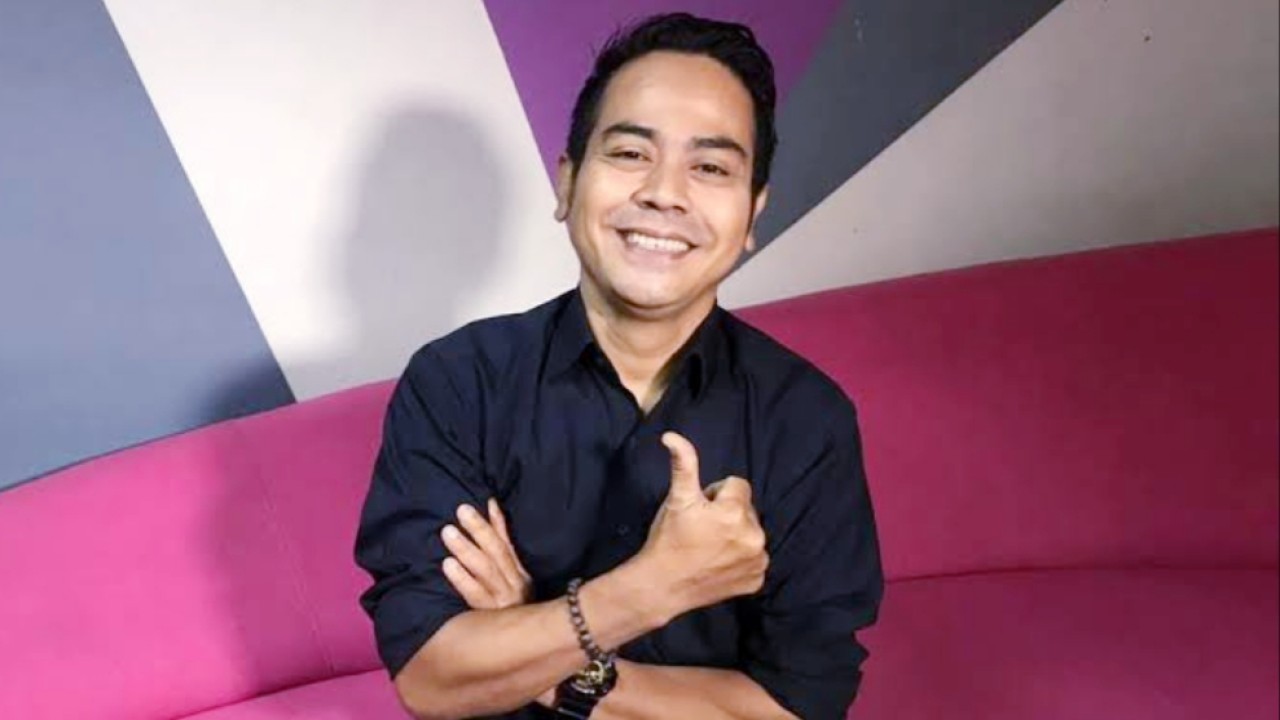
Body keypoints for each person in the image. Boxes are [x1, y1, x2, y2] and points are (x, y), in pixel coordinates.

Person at [355, 12, 883, 720]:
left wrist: (539, 644)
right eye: (631, 153)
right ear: (567, 183)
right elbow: (432, 677)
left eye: (711, 167)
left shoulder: (806, 419)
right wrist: (655, 587)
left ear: (753, 214)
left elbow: (796, 709)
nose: (665, 192)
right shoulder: (460, 382)